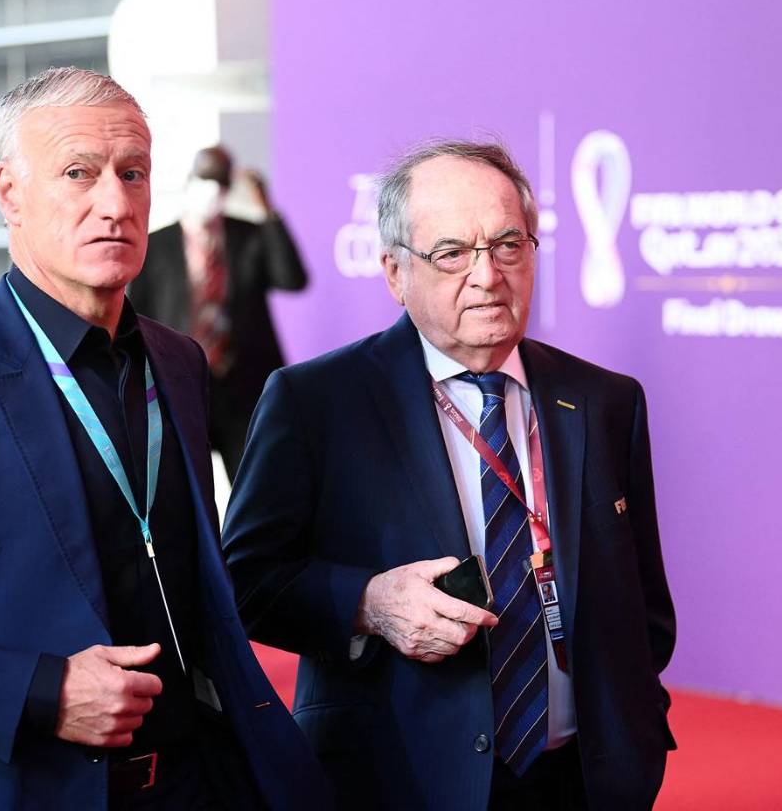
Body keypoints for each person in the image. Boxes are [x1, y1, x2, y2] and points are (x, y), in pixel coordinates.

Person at [0, 67, 328, 809]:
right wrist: (42, 692)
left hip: (193, 778)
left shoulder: (177, 361)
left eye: (132, 173)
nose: (115, 202)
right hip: (18, 786)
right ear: (9, 192)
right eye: (80, 173)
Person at [223, 140, 676, 810]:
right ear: (395, 272)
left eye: (508, 246)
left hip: (584, 776)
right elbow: (247, 579)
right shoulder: (317, 402)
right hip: (400, 776)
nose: (488, 275)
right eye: (451, 254)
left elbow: (645, 608)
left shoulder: (605, 400)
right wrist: (366, 604)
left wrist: (632, 724)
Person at [129, 146, 308, 479]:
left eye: (220, 186)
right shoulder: (154, 246)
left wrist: (267, 212)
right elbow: (135, 315)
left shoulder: (248, 235)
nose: (211, 194)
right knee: (181, 487)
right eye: (204, 182)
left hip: (243, 382)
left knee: (256, 484)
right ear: (189, 183)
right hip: (179, 383)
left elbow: (292, 279)